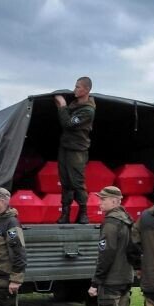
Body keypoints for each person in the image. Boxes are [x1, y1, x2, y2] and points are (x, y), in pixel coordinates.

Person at [87, 186, 135, 306]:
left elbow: (105, 255)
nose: (100, 203)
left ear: (115, 201)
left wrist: (95, 282)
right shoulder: (127, 219)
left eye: (103, 200)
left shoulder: (110, 223)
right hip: (125, 277)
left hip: (111, 280)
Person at [54, 76, 96, 225]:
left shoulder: (88, 111)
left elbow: (68, 124)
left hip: (77, 150)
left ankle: (83, 213)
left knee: (77, 182)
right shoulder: (75, 105)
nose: (75, 89)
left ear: (86, 90)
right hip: (65, 148)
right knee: (65, 182)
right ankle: (65, 213)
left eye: (78, 87)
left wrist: (63, 106)